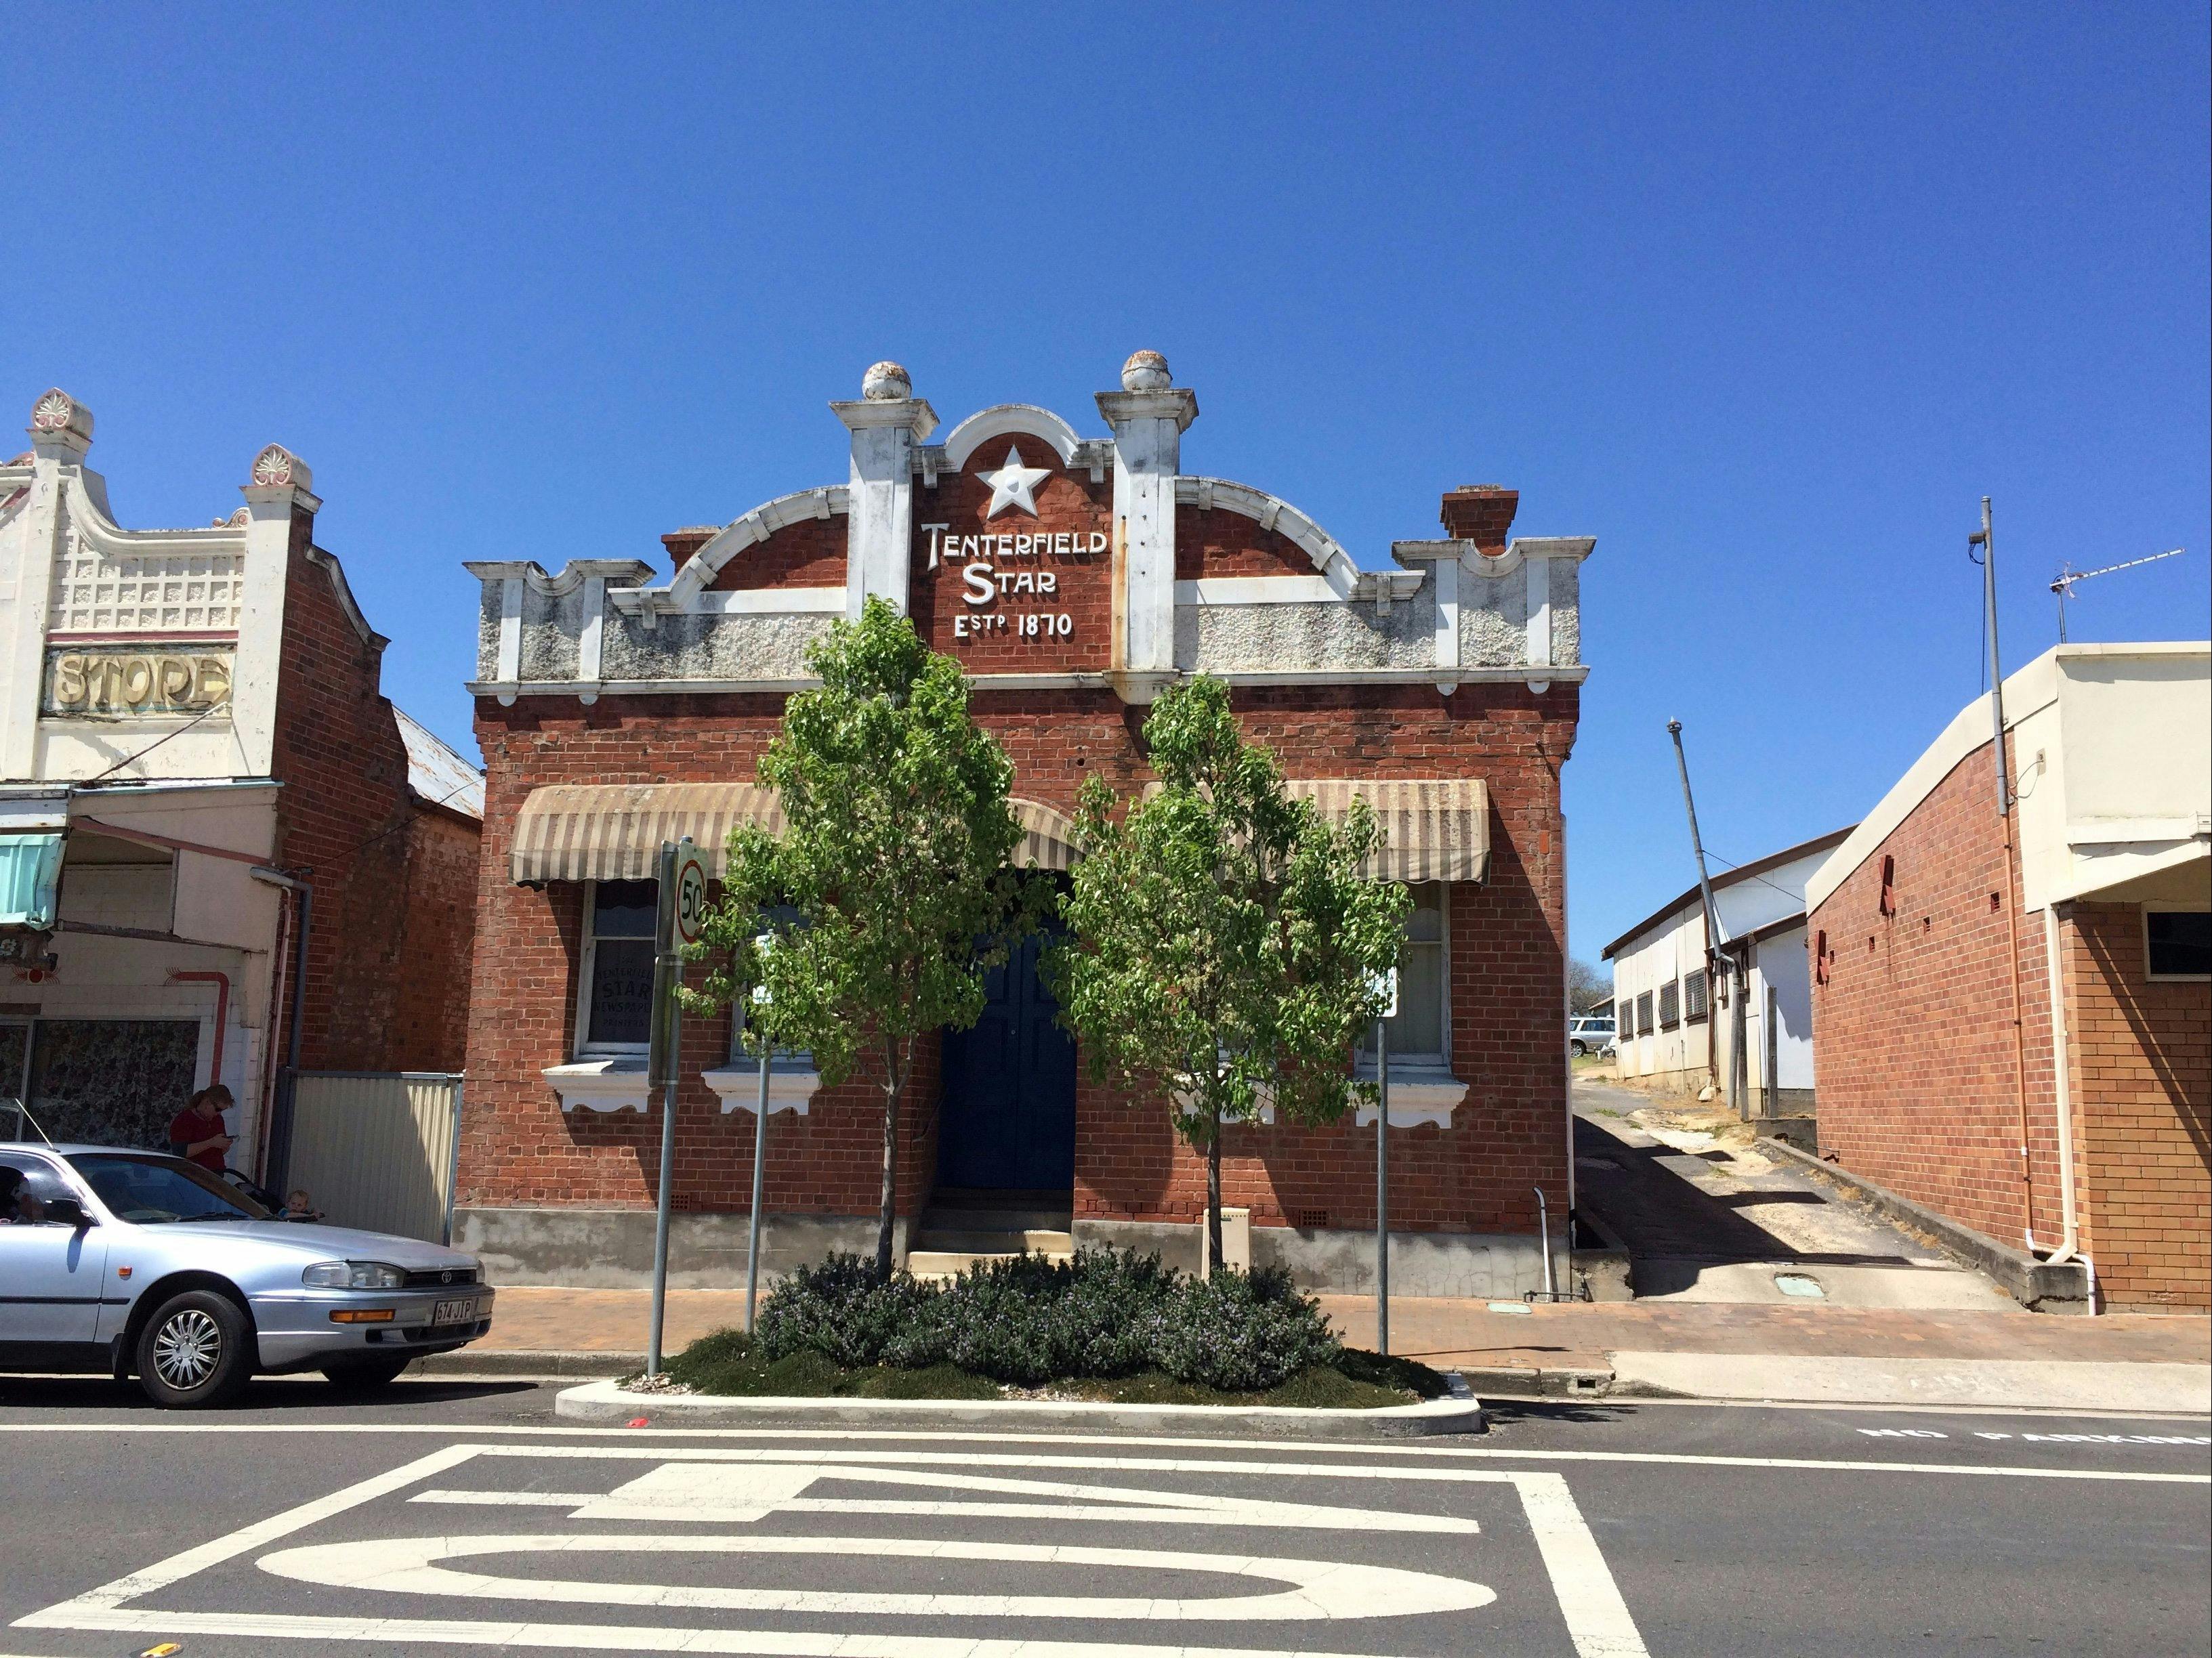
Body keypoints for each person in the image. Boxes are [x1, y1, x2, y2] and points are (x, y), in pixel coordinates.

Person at [167, 1084, 234, 1173]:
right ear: (207, 1102)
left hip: (216, 1173)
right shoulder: (185, 1119)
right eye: (217, 1109)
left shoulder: (218, 1120)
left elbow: (215, 1152)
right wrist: (211, 1143)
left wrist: (224, 1145)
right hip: (192, 1176)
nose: (219, 1113)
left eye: (222, 1111)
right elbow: (180, 1152)